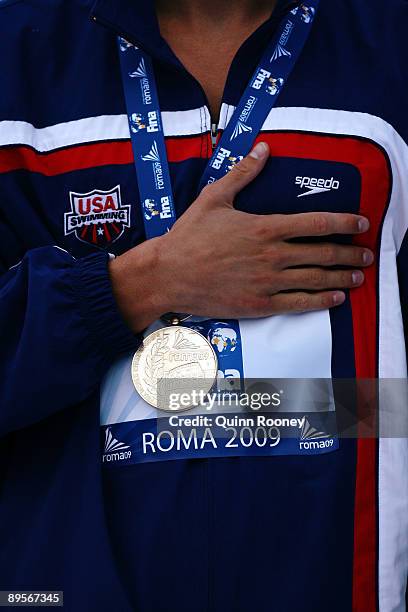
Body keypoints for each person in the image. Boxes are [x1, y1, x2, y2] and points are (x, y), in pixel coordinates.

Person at [0, 0, 407, 610]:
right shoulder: (15, 52)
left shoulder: (389, 37)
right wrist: (135, 287)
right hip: (69, 582)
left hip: (347, 573)